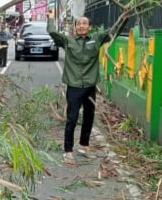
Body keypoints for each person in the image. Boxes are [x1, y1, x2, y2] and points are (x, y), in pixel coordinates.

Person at [48, 15, 127, 163]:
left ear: (89, 27)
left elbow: (114, 30)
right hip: (74, 86)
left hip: (90, 87)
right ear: (75, 27)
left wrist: (124, 17)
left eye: (84, 24)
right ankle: (68, 150)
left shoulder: (96, 39)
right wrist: (51, 18)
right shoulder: (68, 41)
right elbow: (52, 32)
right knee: (71, 119)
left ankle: (84, 146)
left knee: (89, 117)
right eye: (79, 24)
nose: (81, 26)